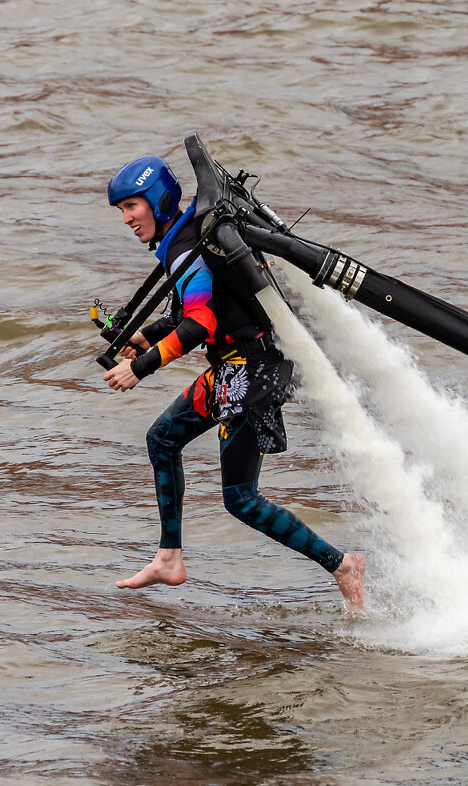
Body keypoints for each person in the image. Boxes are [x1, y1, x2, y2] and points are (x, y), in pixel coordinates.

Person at [100, 153, 365, 614]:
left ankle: (342, 565)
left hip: (252, 371)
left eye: (131, 207)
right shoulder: (184, 239)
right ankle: (169, 557)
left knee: (240, 498)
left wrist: (139, 367)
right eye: (120, 210)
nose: (126, 219)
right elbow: (199, 307)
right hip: (235, 365)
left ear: (158, 201)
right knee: (162, 438)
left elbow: (200, 322)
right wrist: (144, 336)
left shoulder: (185, 246)